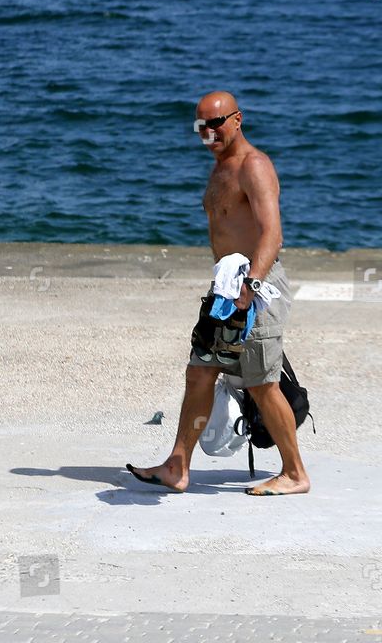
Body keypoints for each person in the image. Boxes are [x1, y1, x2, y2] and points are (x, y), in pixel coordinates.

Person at [126, 91, 310, 496]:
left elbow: (271, 233)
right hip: (226, 287)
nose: (208, 133)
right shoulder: (219, 168)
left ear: (238, 119)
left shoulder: (254, 166)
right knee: (200, 372)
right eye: (201, 126)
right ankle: (177, 466)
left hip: (255, 286)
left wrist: (251, 288)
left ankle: (295, 472)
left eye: (217, 123)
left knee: (262, 383)